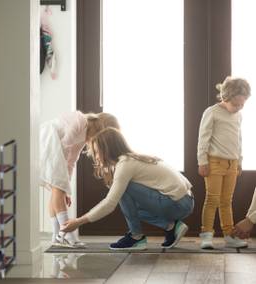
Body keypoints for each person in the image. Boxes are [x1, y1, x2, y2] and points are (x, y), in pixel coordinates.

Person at [61, 127, 194, 250]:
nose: (95, 157)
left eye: (97, 152)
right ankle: (170, 226)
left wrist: (78, 222)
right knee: (131, 208)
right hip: (185, 200)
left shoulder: (126, 164)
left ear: (107, 149)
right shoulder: (132, 159)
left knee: (123, 190)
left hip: (178, 204)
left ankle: (136, 237)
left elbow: (109, 204)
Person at [40, 111, 120, 248]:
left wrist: (67, 189)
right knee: (58, 188)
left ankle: (56, 236)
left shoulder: (84, 138)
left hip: (55, 148)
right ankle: (67, 235)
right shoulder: (80, 120)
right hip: (48, 140)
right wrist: (63, 186)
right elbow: (64, 145)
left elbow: (72, 160)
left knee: (57, 190)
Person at [197, 76, 251, 249]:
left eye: (242, 104)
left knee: (227, 201)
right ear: (225, 97)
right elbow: (203, 139)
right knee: (212, 199)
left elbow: (239, 139)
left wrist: (240, 161)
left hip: (232, 163)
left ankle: (229, 235)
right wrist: (202, 161)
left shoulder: (238, 116)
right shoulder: (212, 112)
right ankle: (206, 235)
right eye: (235, 104)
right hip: (214, 163)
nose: (238, 108)